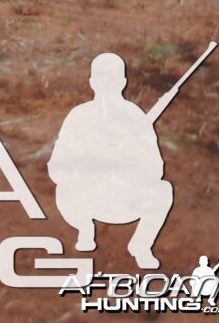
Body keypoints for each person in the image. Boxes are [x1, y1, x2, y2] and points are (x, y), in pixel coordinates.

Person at [47, 51, 178, 271]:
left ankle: (141, 246)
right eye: (102, 77)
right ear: (92, 82)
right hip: (86, 199)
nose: (107, 82)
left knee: (163, 191)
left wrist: (128, 161)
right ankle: (85, 229)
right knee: (63, 189)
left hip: (123, 199)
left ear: (123, 82)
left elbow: (155, 168)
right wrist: (89, 162)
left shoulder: (135, 117)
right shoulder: (78, 116)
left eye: (113, 77)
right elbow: (57, 167)